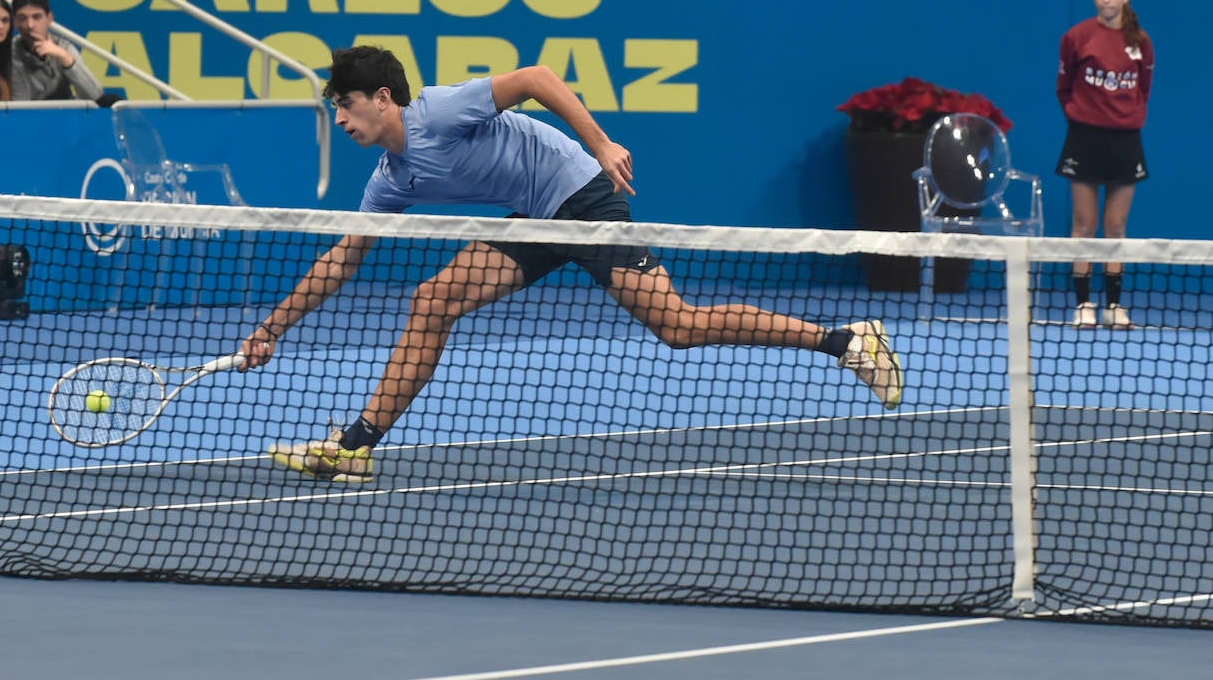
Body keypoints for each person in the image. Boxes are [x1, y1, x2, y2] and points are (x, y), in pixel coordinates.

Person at [242, 45, 905, 483]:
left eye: (346, 104)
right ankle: (357, 447)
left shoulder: (439, 112)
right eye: (334, 107)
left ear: (384, 97)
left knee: (677, 326)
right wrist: (272, 328)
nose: (340, 116)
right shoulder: (390, 181)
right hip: (533, 219)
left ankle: (847, 340)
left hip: (581, 196)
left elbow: (534, 79)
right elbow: (342, 257)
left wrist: (602, 142)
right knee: (431, 300)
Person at [1056, 0, 1154, 330]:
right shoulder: (1076, 37)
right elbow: (1063, 87)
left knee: (1115, 225)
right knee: (1084, 224)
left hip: (1126, 141)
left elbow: (1143, 88)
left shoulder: (1141, 41)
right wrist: (1081, 117)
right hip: (1084, 138)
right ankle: (1083, 304)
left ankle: (1114, 305)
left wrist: (1126, 117)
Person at [9, 0, 108, 103]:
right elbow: (20, 106)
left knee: (109, 101)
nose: (30, 25)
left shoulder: (63, 47)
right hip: (32, 117)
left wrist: (65, 58)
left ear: (49, 18)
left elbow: (95, 95)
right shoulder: (10, 54)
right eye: (22, 18)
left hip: (66, 115)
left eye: (36, 17)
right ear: (15, 22)